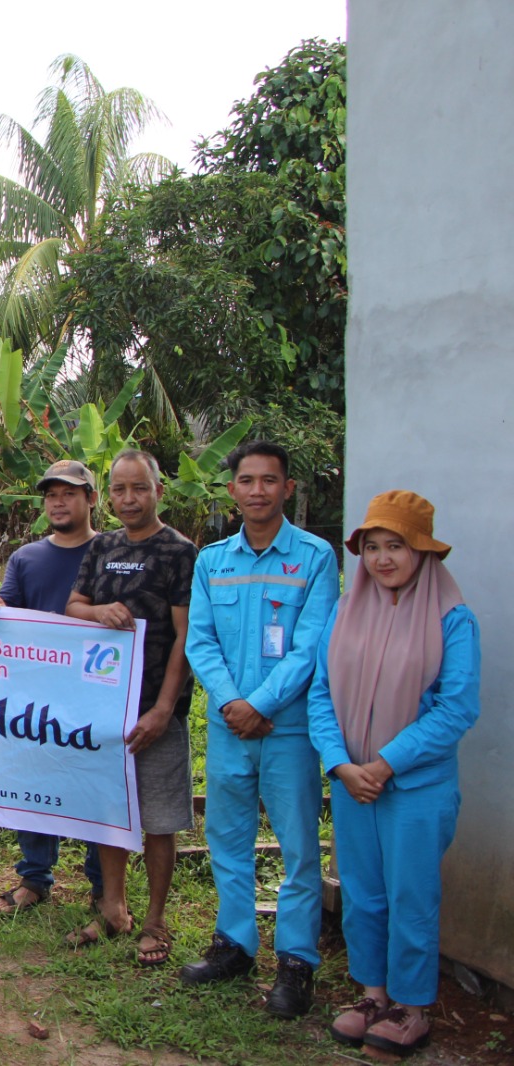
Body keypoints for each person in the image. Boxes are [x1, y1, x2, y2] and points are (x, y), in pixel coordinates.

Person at [307, 491, 480, 1056]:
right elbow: (322, 694)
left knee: (410, 895)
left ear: (423, 553)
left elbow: (457, 707)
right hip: (353, 782)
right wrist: (341, 764)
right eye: (372, 548)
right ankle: (373, 994)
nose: (382, 560)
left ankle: (411, 1006)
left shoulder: (453, 621)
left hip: (414, 788)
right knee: (362, 893)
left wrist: (384, 764)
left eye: (396, 546)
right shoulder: (345, 612)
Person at [181, 441, 339, 1017]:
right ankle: (235, 945)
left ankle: (296, 963)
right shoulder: (212, 561)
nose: (257, 491)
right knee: (227, 839)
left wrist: (262, 704)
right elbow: (200, 641)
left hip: (289, 731)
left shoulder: (316, 558)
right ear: (232, 490)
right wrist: (231, 704)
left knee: (299, 848)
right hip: (230, 730)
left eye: (269, 481)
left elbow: (311, 645)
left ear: (287, 489)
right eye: (246, 480)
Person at [65, 449, 197, 966]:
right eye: (118, 490)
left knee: (159, 821)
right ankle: (113, 910)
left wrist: (165, 708)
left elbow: (186, 637)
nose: (128, 499)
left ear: (158, 491)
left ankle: (156, 921)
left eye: (138, 488)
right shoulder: (102, 548)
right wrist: (98, 611)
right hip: (105, 710)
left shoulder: (180, 551)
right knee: (108, 816)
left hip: (155, 711)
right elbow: (73, 608)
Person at [0, 459, 107, 915]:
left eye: (69, 494)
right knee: (33, 784)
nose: (58, 502)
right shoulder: (27, 557)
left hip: (94, 694)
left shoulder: (112, 553)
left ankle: (102, 884)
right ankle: (34, 877)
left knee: (96, 788)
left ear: (91, 499)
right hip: (35, 696)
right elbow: (8, 605)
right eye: (52, 495)